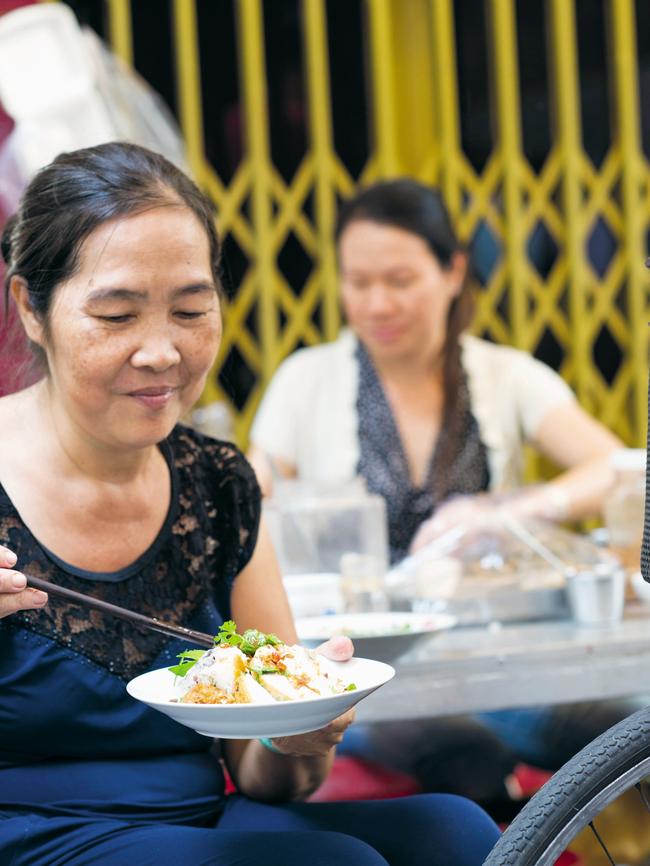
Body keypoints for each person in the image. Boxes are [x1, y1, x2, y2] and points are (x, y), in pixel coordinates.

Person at [0, 143, 500, 866]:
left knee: (459, 834)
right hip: (31, 832)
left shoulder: (218, 485)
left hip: (196, 821)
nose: (162, 352)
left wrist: (296, 737)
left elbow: (266, 772)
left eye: (192, 309)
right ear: (31, 308)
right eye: (116, 316)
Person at [247, 178, 637, 814]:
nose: (376, 303)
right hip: (366, 672)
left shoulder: (503, 375)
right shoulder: (305, 382)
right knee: (465, 757)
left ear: (453, 271)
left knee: (623, 730)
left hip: (493, 657)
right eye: (357, 281)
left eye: (399, 280)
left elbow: (612, 465)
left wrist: (509, 511)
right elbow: (254, 493)